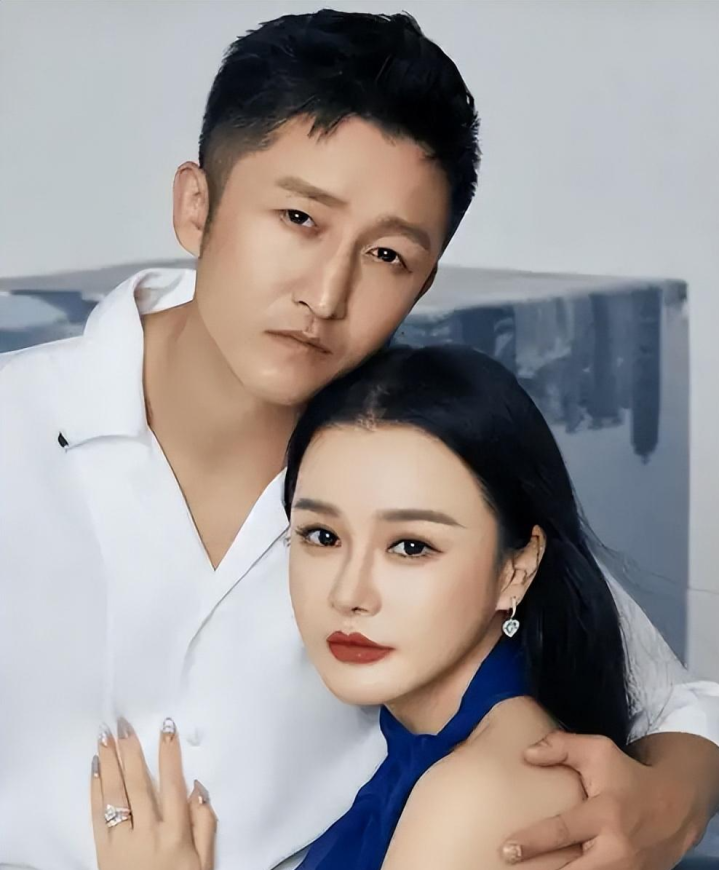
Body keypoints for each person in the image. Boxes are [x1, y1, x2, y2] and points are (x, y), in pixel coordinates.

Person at [0, 10, 717, 870]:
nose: (327, 293)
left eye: (386, 257)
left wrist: (668, 804)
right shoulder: (16, 426)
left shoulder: (412, 454)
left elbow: (665, 699)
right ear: (197, 205)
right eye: (299, 218)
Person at [89, 345, 634, 870]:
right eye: (322, 536)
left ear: (516, 568)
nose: (349, 594)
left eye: (411, 547)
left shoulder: (476, 796)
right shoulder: (435, 748)